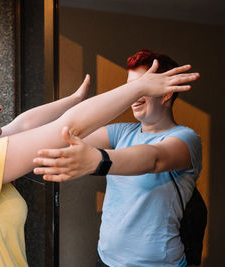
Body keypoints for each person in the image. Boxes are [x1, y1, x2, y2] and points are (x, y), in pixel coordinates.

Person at [0, 59, 199, 267]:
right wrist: (138, 89)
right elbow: (69, 127)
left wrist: (74, 100)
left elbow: (25, 123)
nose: (0, 105)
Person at [33, 50, 202, 267]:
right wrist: (72, 101)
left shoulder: (186, 138)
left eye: (142, 86)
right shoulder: (122, 132)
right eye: (130, 88)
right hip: (106, 260)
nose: (133, 95)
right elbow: (61, 135)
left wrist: (99, 160)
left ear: (166, 93)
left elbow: (153, 158)